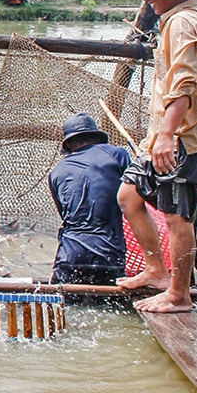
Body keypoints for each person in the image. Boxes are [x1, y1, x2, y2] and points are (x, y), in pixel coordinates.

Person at [116, 0, 197, 313]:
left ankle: (179, 293)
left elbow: (185, 86)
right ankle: (156, 270)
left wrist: (166, 135)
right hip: (164, 135)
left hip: (182, 139)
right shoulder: (182, 18)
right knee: (129, 195)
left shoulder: (183, 23)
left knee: (179, 218)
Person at [49, 113, 131, 286]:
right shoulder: (118, 155)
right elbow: (136, 200)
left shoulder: (56, 171)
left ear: (69, 144)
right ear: (96, 138)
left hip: (69, 257)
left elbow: (65, 215)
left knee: (67, 308)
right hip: (108, 256)